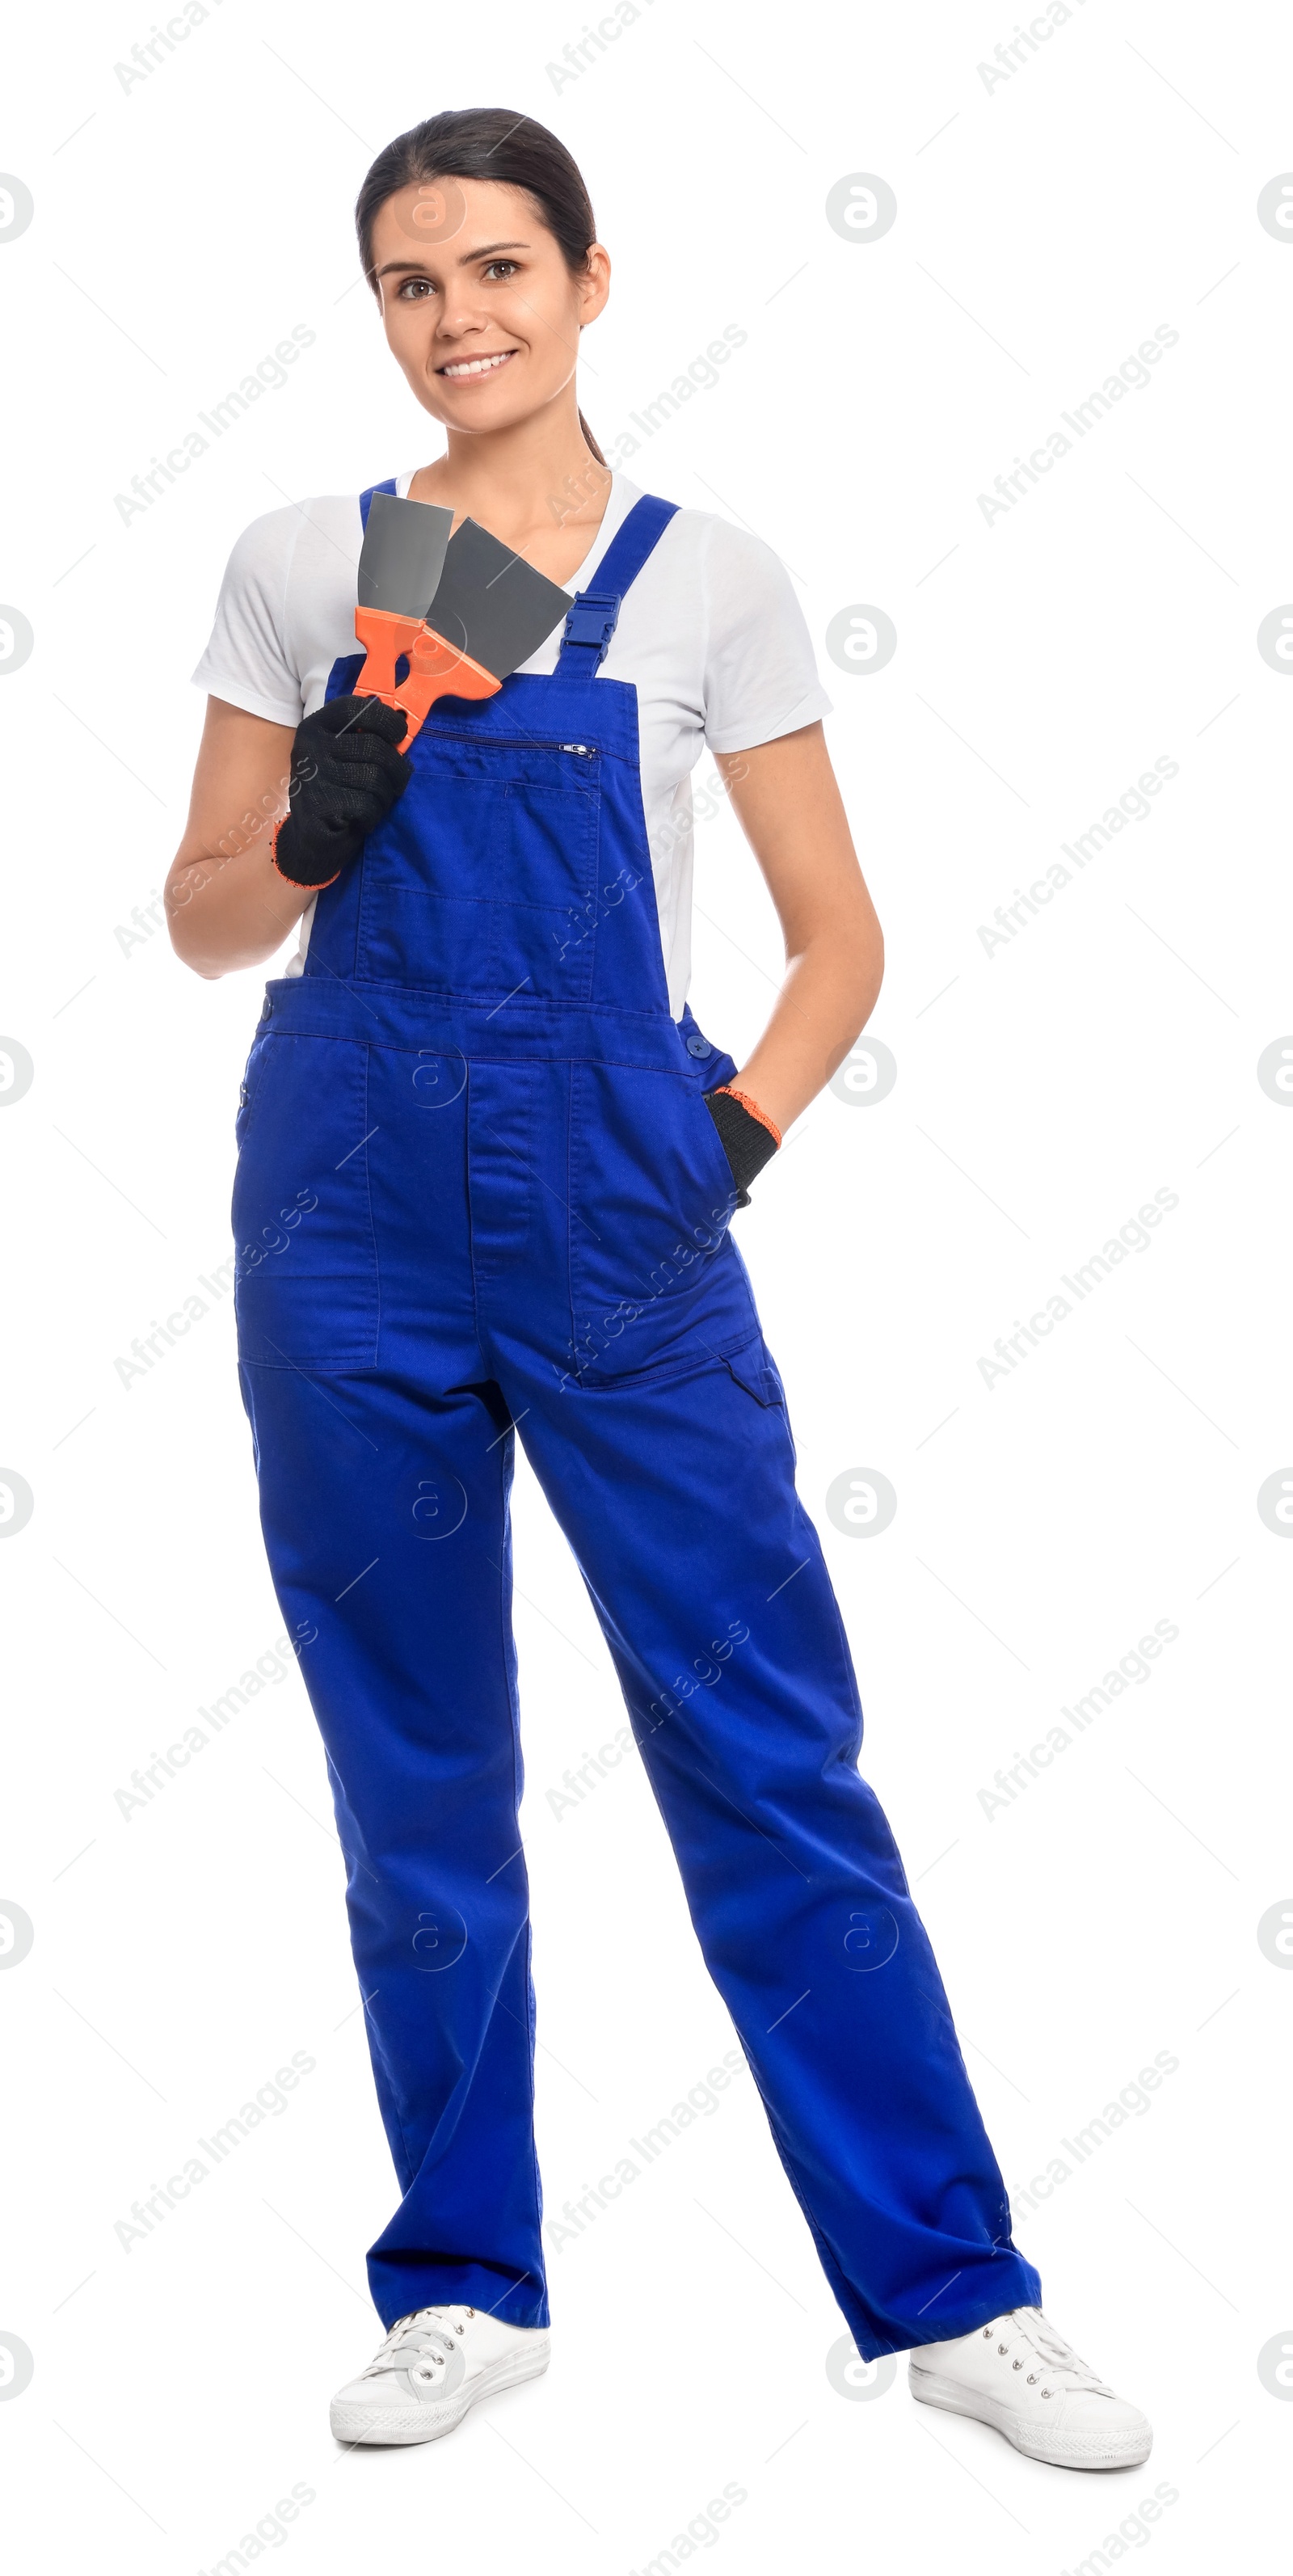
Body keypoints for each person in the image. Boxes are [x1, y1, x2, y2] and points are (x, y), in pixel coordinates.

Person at [166, 108, 1150, 2471]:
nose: (458, 316)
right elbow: (204, 918)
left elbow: (842, 937)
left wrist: (713, 1151)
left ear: (593, 281)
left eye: (499, 267)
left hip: (626, 1217)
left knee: (768, 1751)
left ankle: (948, 2291)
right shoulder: (304, 561)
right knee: (417, 1770)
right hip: (347, 1218)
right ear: (380, 314)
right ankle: (464, 2282)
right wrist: (311, 821)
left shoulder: (713, 581)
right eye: (411, 283)